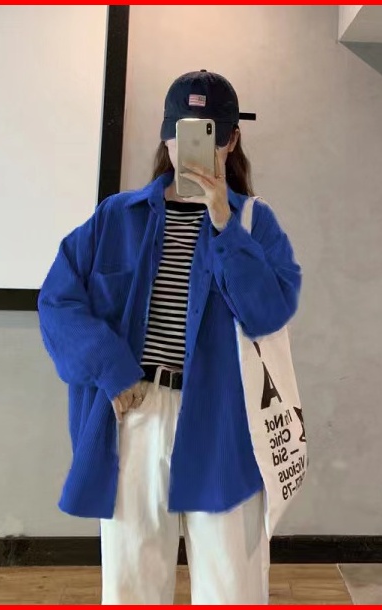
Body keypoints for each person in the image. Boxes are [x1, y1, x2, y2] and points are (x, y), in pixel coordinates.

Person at [38, 70, 302, 605]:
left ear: (231, 139)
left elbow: (268, 314)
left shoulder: (255, 223)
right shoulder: (116, 218)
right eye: (183, 131)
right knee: (133, 583)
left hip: (226, 420)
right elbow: (57, 301)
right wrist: (111, 368)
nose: (195, 145)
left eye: (210, 132)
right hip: (136, 412)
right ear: (166, 134)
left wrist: (225, 224)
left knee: (232, 586)